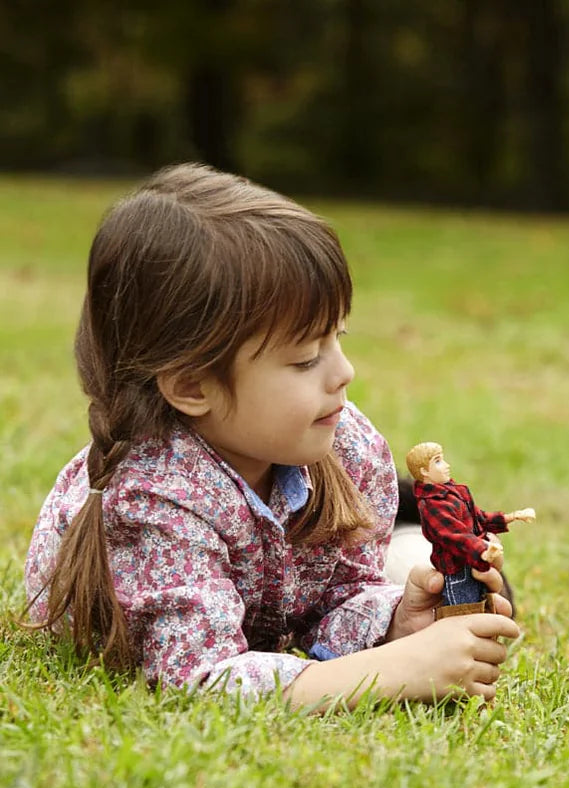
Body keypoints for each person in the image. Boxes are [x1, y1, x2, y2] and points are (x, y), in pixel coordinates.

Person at [23, 163, 519, 710]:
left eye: (338, 338)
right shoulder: (151, 501)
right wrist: (394, 671)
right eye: (306, 358)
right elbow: (199, 684)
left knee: (413, 562)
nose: (344, 372)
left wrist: (396, 618)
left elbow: (329, 601)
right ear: (192, 386)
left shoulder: (344, 446)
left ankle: (412, 547)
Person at [404, 442, 535, 616]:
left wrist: (511, 517)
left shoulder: (455, 493)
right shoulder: (432, 504)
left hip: (472, 561)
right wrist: (481, 550)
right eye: (438, 461)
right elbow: (452, 536)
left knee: (483, 611)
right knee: (463, 614)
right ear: (424, 472)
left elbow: (479, 518)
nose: (446, 465)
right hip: (458, 569)